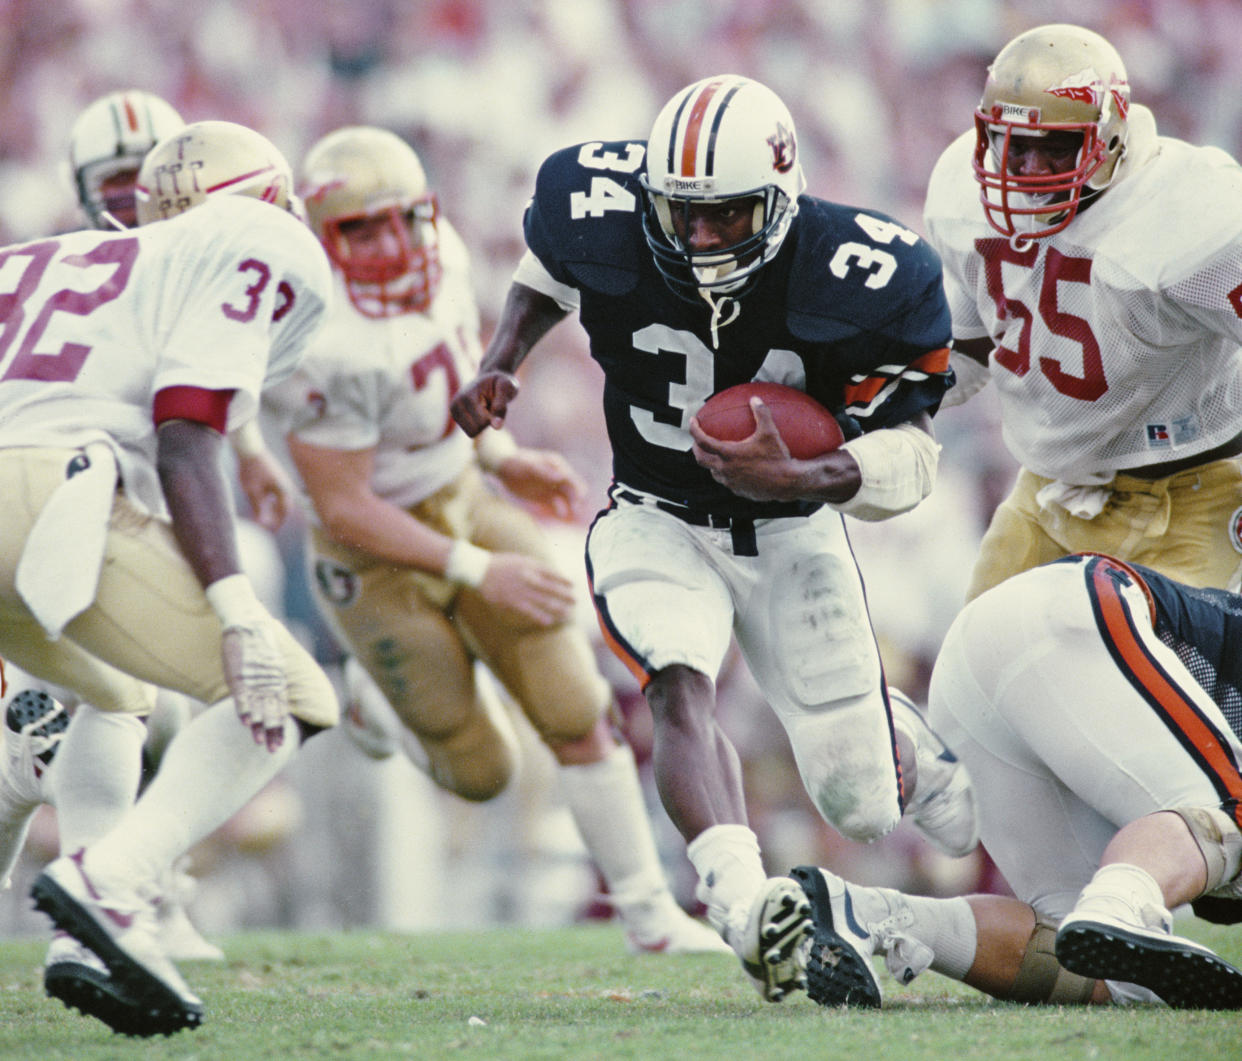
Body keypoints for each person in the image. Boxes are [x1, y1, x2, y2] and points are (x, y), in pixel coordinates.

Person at [451, 73, 976, 1002]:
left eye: (724, 217)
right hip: (654, 515)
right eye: (680, 212)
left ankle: (911, 749)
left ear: (778, 199)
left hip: (793, 533)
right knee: (676, 684)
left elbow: (917, 453)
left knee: (860, 804)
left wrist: (806, 477)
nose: (696, 237)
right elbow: (551, 272)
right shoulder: (601, 211)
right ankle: (741, 904)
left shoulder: (859, 269)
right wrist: (501, 360)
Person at [264, 124, 727, 955]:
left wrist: (503, 457)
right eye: (359, 230)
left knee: (575, 707)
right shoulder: (315, 334)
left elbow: (449, 380)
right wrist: (479, 570)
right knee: (484, 772)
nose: (392, 245)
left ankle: (651, 916)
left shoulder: (442, 256)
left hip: (458, 493)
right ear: (322, 238)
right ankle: (375, 704)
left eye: (402, 218)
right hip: (372, 558)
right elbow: (343, 505)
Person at [0, 119, 339, 1038]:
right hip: (44, 491)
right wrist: (237, 614)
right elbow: (187, 433)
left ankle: (71, 909)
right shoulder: (258, 239)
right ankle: (107, 885)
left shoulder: (38, 256)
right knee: (294, 694)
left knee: (109, 693)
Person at [792, 552, 1242, 1010]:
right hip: (1074, 615)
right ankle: (1119, 906)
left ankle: (871, 915)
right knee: (1231, 812)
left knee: (1115, 972)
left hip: (976, 664)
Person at [923, 23, 1242, 602]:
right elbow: (969, 346)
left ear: (1109, 138)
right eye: (1016, 144)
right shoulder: (960, 197)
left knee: (1185, 685)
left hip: (1195, 498)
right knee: (973, 681)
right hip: (1048, 497)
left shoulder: (1190, 213)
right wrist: (862, 402)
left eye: (1056, 146)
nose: (1032, 167)